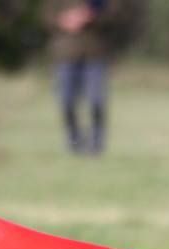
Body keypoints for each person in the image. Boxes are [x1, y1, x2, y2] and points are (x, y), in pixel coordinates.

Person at [43, 0, 121, 155]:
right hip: (65, 55)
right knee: (66, 102)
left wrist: (91, 16)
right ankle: (75, 141)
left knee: (96, 101)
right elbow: (46, 16)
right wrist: (65, 20)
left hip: (95, 55)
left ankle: (96, 145)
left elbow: (114, 15)